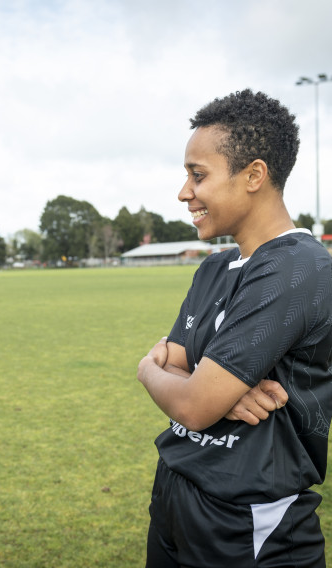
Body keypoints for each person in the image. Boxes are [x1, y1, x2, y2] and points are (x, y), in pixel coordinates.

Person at [137, 89, 332, 567]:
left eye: (197, 175)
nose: (185, 192)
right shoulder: (215, 267)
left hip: (248, 514)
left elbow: (193, 404)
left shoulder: (298, 268)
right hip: (176, 488)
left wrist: (147, 370)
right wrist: (204, 382)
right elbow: (180, 366)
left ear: (254, 175)